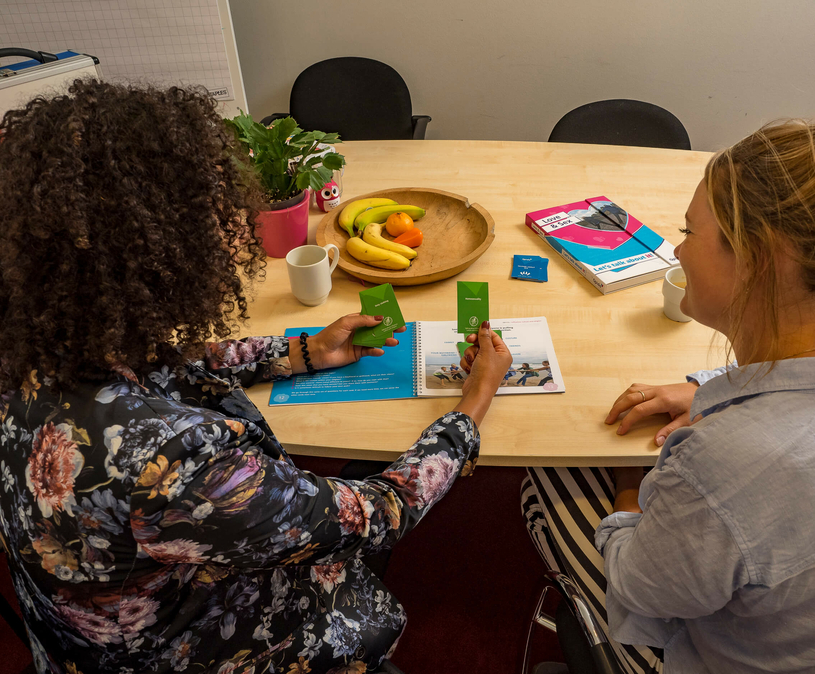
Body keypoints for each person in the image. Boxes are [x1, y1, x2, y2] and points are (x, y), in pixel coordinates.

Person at [0, 80, 513, 674]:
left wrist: (300, 354)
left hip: (75, 638)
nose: (235, 232)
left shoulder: (33, 345)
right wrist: (470, 409)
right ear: (156, 250)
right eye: (215, 221)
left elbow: (167, 366)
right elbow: (375, 514)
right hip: (187, 652)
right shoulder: (177, 460)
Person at [515, 120, 815, 673]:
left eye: (690, 232)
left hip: (708, 652)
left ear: (760, 259)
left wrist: (632, 482)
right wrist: (706, 386)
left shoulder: (724, 462)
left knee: (549, 466)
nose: (676, 249)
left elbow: (646, 591)